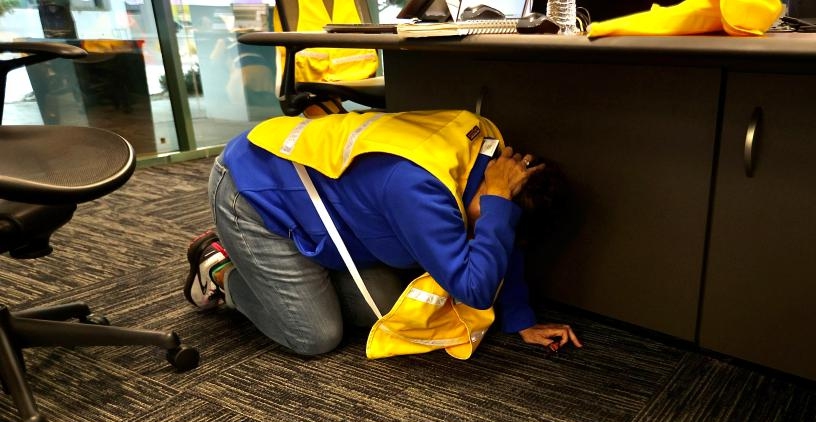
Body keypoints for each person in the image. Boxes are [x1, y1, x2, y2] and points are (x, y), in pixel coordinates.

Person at [184, 109, 582, 357]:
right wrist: (496, 205)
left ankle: (288, 272)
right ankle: (220, 267)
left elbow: (502, 236)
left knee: (384, 302)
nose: (489, 222)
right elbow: (473, 288)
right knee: (315, 335)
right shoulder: (422, 188)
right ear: (496, 190)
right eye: (495, 209)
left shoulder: (488, 154)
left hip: (318, 205)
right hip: (253, 191)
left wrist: (520, 319)